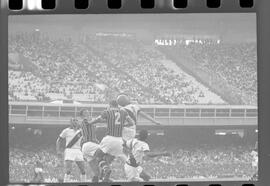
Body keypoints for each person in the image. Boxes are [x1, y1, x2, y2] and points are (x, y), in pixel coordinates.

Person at [87, 100, 136, 182]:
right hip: (119, 141)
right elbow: (131, 123)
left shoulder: (107, 112)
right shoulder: (123, 112)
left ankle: (106, 170)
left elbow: (99, 119)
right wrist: (122, 125)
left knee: (98, 156)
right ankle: (105, 178)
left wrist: (90, 123)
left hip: (109, 139)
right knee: (107, 160)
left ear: (110, 105)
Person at [56, 118, 86, 182]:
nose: (75, 122)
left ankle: (84, 182)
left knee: (83, 170)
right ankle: (66, 183)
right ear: (71, 122)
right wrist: (58, 150)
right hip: (69, 150)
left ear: (78, 122)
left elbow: (84, 141)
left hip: (78, 150)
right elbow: (59, 140)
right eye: (73, 120)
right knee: (68, 170)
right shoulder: (66, 130)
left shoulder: (81, 131)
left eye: (76, 120)